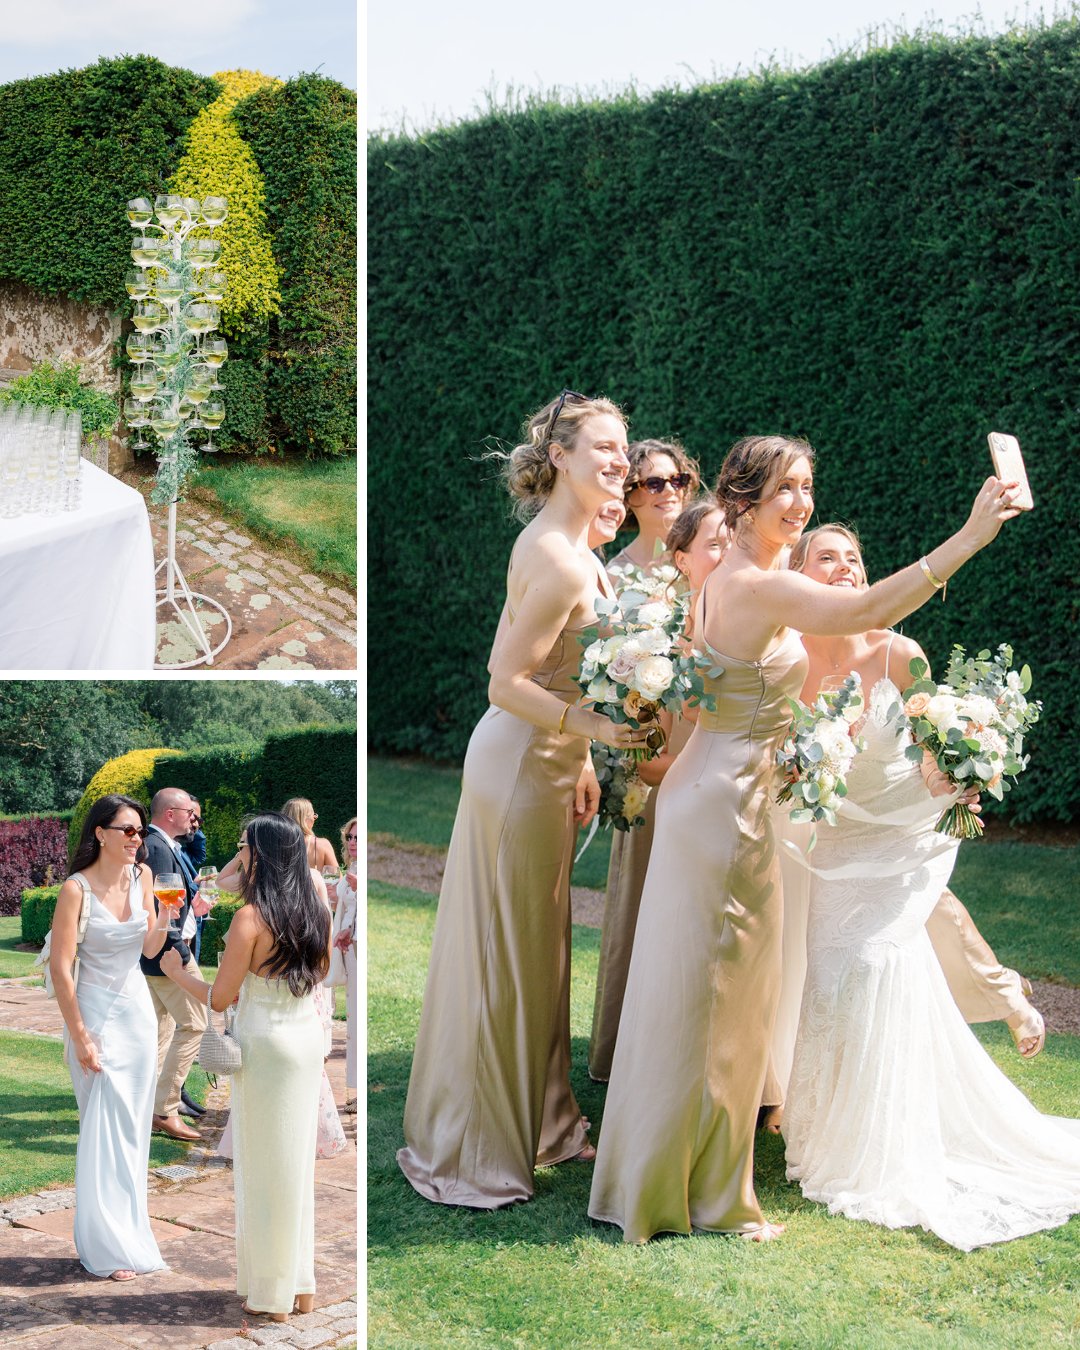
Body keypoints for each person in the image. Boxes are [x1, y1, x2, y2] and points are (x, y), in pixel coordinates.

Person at [588, 433, 1022, 1244]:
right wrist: (971, 536)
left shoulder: (726, 577)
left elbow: (720, 694)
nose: (802, 502)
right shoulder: (755, 583)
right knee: (719, 998)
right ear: (743, 500)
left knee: (703, 993)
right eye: (784, 488)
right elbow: (864, 611)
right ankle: (703, 1196)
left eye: (808, 485)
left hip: (712, 792)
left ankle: (676, 1178)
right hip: (727, 809)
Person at [779, 524, 1080, 1248]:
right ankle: (829, 1131)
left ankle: (884, 1139)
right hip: (834, 840)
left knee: (874, 962)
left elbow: (931, 744)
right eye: (826, 557)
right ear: (797, 573)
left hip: (904, 835)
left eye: (854, 558)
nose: (844, 567)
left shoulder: (898, 651)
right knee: (831, 975)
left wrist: (958, 770)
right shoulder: (785, 655)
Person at [397, 389, 651, 1209]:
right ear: (560, 457)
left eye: (623, 447)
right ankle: (472, 1148)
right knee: (506, 953)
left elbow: (560, 666)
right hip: (515, 765)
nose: (619, 459)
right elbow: (504, 680)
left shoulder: (575, 544)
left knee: (540, 948)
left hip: (547, 763)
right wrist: (592, 729)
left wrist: (579, 757)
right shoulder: (559, 555)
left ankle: (548, 1122)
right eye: (603, 446)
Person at [161, 812, 330, 1321]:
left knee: (266, 1171)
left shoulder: (250, 920)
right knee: (296, 1168)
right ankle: (301, 1288)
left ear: (263, 855)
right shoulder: (315, 911)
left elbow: (220, 998)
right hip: (305, 1041)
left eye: (245, 846)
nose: (240, 853)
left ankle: (273, 1297)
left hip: (264, 1048)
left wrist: (178, 972)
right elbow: (319, 975)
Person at [589, 496, 727, 1081]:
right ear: (682, 559)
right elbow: (647, 760)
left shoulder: (763, 628)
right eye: (715, 544)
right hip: (680, 807)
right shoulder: (662, 642)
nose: (729, 553)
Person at [50, 794, 171, 1280]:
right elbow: (61, 969)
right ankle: (104, 1245)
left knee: (134, 1130)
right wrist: (81, 1036)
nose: (137, 839)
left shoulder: (142, 877)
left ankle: (131, 1234)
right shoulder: (75, 890)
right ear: (100, 833)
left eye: (141, 831)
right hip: (94, 1015)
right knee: (102, 1128)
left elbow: (149, 948)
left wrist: (168, 916)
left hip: (137, 1014)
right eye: (128, 830)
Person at [140, 787, 207, 1142]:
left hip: (158, 955)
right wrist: (179, 955)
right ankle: (164, 1109)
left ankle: (147, 1105)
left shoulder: (162, 845)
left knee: (162, 1031)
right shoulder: (158, 848)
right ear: (170, 814)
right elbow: (158, 908)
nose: (193, 817)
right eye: (188, 812)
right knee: (195, 1024)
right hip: (168, 955)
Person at [328, 816, 358, 1114]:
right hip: (348, 947)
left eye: (358, 838)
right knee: (352, 1016)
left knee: (357, 1017)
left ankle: (359, 1090)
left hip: (358, 948)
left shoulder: (363, 872)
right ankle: (356, 1088)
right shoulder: (352, 868)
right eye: (350, 837)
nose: (352, 842)